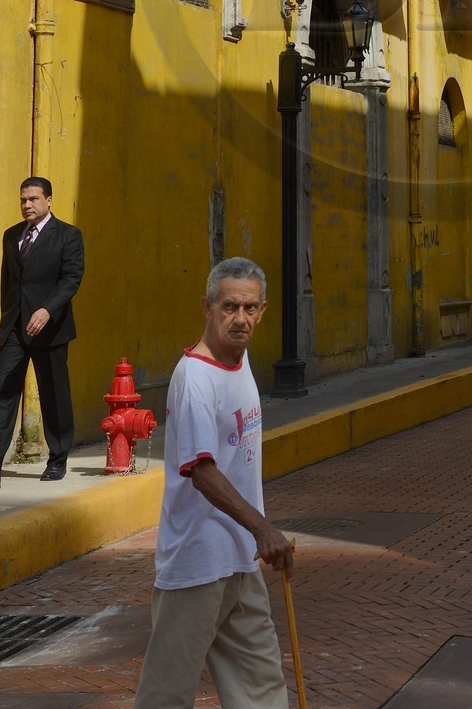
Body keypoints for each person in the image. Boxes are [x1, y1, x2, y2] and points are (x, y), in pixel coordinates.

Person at [132, 258, 293, 709]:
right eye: (229, 307)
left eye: (250, 308)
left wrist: (254, 536)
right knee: (166, 694)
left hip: (240, 559)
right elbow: (202, 472)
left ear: (262, 311)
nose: (240, 319)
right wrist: (263, 528)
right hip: (197, 565)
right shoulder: (195, 379)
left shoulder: (239, 361)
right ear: (207, 307)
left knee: (261, 687)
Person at [0, 177, 84, 490]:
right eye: (23, 200)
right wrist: (8, 322)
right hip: (16, 328)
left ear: (49, 200)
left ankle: (57, 458)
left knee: (54, 395)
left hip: (51, 328)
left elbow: (71, 279)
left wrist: (47, 310)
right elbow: (10, 285)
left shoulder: (68, 236)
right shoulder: (11, 236)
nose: (27, 205)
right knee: (3, 391)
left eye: (33, 199)